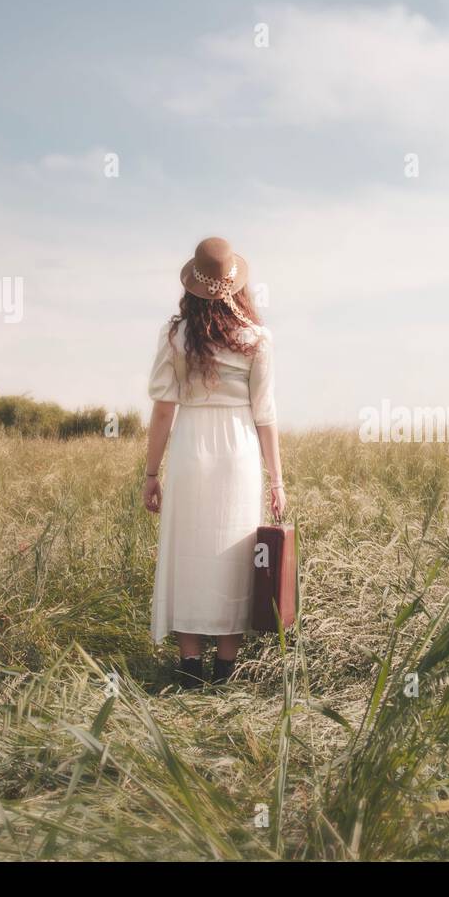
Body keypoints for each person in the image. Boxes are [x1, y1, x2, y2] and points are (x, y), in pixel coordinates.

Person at [143, 236, 285, 687]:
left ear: (193, 286)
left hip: (190, 448)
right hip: (238, 451)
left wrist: (150, 473)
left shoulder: (176, 334)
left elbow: (164, 408)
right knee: (234, 553)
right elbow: (265, 415)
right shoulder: (256, 338)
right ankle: (224, 670)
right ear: (235, 285)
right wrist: (277, 481)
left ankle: (189, 668)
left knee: (189, 550)